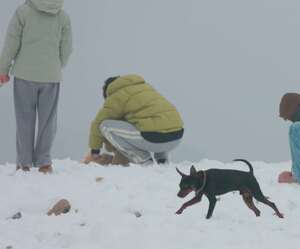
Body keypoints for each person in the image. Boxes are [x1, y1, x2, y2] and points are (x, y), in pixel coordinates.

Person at [0, 0, 72, 173]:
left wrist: (3, 69)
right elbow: (67, 48)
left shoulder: (23, 12)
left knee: (24, 120)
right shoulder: (62, 16)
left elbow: (12, 41)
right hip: (51, 76)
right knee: (48, 121)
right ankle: (44, 163)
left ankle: (23, 163)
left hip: (25, 75)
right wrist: (55, 66)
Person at [84, 75, 184, 166]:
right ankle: (162, 161)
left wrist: (95, 150)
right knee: (157, 122)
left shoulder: (117, 95)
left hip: (153, 138)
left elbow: (98, 122)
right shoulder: (146, 87)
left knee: (105, 125)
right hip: (177, 136)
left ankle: (144, 161)